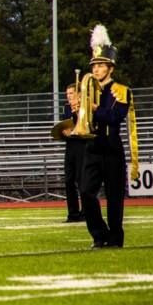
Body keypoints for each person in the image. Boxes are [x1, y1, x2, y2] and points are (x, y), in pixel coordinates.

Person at [81, 25, 138, 249]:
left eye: (100, 66)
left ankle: (115, 238)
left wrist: (95, 108)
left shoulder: (122, 91)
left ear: (110, 68)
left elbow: (115, 116)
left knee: (115, 197)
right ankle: (98, 233)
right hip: (92, 146)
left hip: (112, 146)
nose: (95, 70)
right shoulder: (86, 89)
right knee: (86, 192)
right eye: (94, 66)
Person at [60, 83, 86, 223]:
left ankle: (86, 212)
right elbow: (63, 124)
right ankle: (73, 213)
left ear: (78, 94)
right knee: (68, 180)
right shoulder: (65, 108)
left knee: (82, 180)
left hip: (82, 145)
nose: (68, 96)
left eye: (71, 93)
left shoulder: (85, 107)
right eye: (67, 94)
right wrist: (64, 132)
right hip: (70, 145)